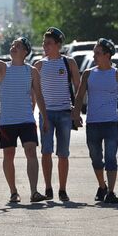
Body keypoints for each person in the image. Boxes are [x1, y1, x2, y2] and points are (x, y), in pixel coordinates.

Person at [0, 28, 49, 203]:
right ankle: (13, 192)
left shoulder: (32, 71)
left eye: (18, 45)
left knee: (30, 151)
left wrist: (45, 118)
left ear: (25, 52)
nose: (13, 47)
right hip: (7, 121)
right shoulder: (3, 67)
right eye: (13, 45)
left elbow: (39, 95)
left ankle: (34, 191)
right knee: (9, 155)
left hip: (26, 119)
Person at [72, 38, 118, 204]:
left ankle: (111, 192)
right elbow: (79, 96)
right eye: (94, 53)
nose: (94, 56)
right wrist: (76, 114)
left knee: (110, 158)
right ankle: (102, 186)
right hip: (93, 124)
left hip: (110, 124)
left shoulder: (117, 75)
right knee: (95, 158)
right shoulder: (88, 74)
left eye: (98, 53)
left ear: (108, 55)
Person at [34, 27, 80, 202]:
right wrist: (33, 115)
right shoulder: (39, 65)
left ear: (59, 45)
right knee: (46, 151)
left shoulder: (69, 63)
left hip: (65, 113)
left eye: (49, 43)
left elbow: (78, 87)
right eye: (44, 43)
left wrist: (77, 111)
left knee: (63, 153)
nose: (45, 46)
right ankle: (48, 188)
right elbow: (34, 92)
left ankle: (62, 189)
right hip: (46, 114)